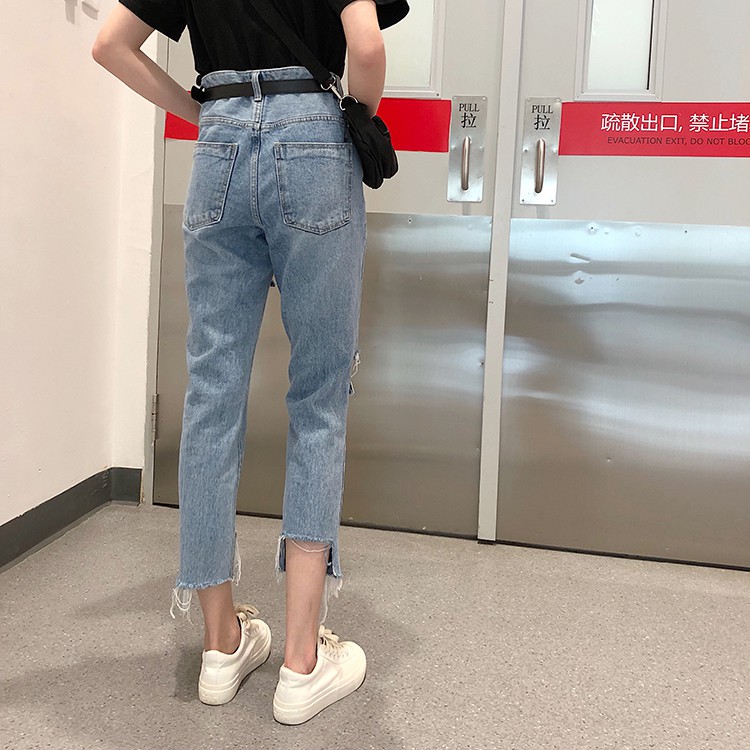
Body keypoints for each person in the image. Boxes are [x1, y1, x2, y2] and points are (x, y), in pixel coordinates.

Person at [92, 0, 408, 725]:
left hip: (221, 145)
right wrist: (349, 119)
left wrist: (202, 110)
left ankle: (220, 645)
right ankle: (301, 661)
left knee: (211, 392)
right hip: (312, 138)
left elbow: (110, 44)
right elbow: (365, 46)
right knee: (319, 396)